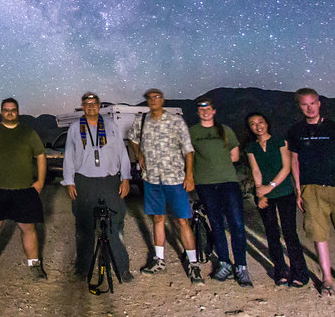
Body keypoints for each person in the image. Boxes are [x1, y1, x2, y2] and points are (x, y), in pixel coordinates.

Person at [287, 87, 335, 298]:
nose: (309, 108)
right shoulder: (296, 131)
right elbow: (294, 162)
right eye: (304, 104)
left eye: (312, 103)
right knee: (318, 235)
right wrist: (298, 191)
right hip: (311, 189)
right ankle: (327, 279)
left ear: (319, 103)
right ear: (299, 106)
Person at [127, 88, 202, 284]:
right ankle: (159, 260)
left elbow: (188, 149)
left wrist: (189, 175)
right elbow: (132, 138)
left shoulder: (175, 121)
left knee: (182, 220)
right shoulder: (141, 121)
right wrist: (139, 154)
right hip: (151, 178)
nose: (153, 100)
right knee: (158, 218)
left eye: (157, 97)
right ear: (147, 101)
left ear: (163, 99)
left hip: (175, 178)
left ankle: (193, 264)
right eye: (150, 98)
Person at [0, 97, 48, 281]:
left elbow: (40, 155)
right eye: (6, 109)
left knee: (28, 227)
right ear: (1, 112)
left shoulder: (28, 132)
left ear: (18, 112)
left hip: (23, 189)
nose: (9, 112)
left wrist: (40, 182)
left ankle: (34, 265)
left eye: (13, 109)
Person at [61, 92, 133, 282]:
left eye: (94, 103)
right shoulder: (75, 129)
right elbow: (69, 156)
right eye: (87, 104)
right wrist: (69, 181)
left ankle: (121, 267)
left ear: (99, 106)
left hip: (109, 180)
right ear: (83, 107)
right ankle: (83, 267)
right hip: (84, 180)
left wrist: (125, 178)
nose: (91, 106)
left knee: (115, 223)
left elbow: (122, 154)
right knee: (84, 226)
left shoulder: (111, 127)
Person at [189, 97, 251, 286]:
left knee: (237, 224)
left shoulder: (225, 130)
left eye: (208, 108)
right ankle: (224, 263)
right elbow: (189, 155)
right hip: (205, 183)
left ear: (214, 111)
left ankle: (241, 267)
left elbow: (234, 155)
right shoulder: (192, 132)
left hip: (227, 181)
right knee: (216, 224)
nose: (205, 111)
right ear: (198, 112)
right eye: (201, 108)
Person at [245, 111, 308, 287]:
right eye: (253, 124)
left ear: (267, 123)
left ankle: (300, 273)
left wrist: (270, 186)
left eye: (261, 121)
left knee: (289, 234)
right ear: (250, 128)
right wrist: (261, 194)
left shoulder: (281, 142)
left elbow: (286, 168)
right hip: (266, 196)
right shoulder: (251, 148)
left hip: (284, 192)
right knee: (272, 234)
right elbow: (256, 171)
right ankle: (280, 270)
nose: (258, 126)